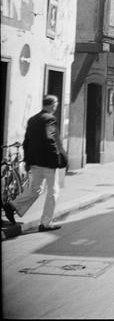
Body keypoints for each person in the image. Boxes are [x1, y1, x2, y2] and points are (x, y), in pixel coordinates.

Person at [2, 94, 68, 232]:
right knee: (53, 192)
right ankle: (45, 223)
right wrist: (58, 159)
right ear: (50, 105)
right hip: (48, 163)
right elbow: (51, 140)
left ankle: (12, 205)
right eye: (55, 104)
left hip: (35, 162)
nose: (56, 107)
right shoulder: (49, 119)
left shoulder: (32, 120)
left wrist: (27, 160)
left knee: (35, 190)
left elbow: (26, 142)